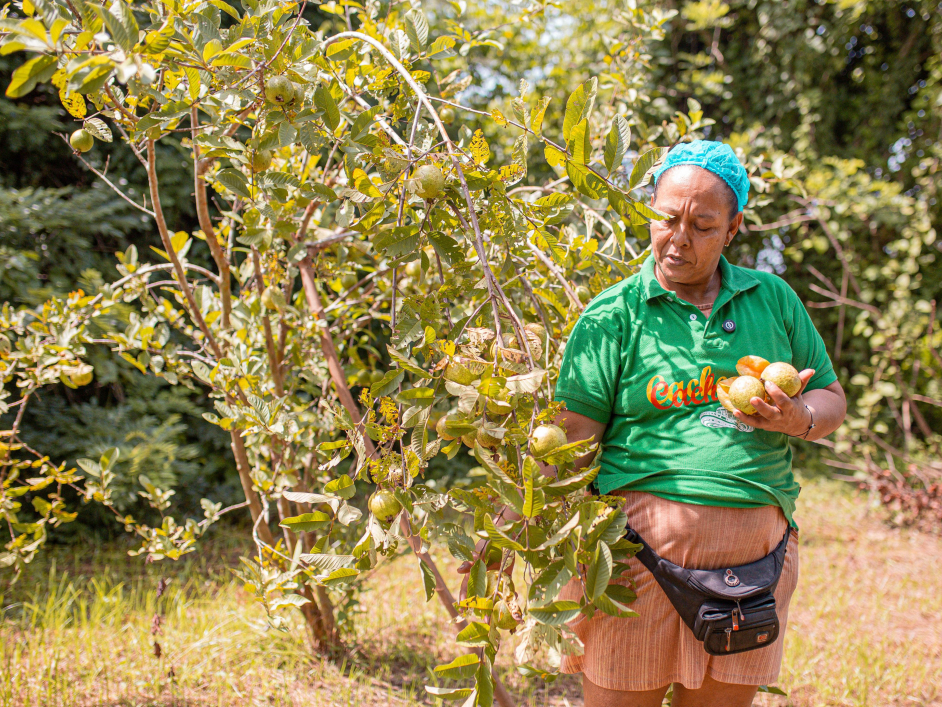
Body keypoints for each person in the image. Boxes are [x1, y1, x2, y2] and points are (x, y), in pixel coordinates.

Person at [553, 140, 847, 707]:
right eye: (666, 218)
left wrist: (796, 417)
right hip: (634, 562)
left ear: (733, 228)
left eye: (703, 225)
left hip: (755, 569)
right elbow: (570, 443)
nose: (678, 238)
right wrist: (521, 522)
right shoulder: (613, 315)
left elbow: (829, 397)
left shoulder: (773, 299)